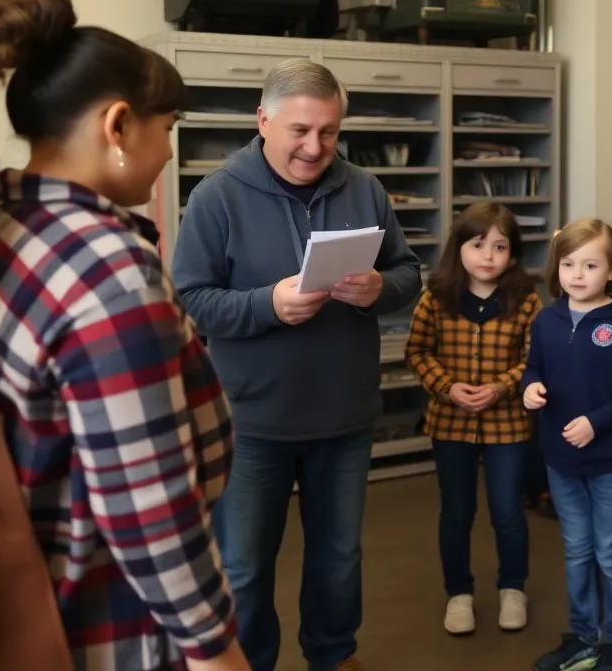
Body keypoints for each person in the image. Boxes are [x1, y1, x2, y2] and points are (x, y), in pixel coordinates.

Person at [0, 0, 249, 670]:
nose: (167, 150)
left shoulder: (10, 222)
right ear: (118, 126)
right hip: (109, 620)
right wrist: (216, 649)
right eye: (166, 126)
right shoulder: (108, 273)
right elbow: (149, 508)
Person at [170, 58, 423, 671]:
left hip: (344, 413)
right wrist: (268, 305)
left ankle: (333, 655)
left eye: (330, 132)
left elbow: (409, 271)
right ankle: (250, 662)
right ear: (263, 120)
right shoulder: (217, 196)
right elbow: (191, 298)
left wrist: (379, 291)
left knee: (339, 556)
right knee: (246, 565)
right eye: (301, 131)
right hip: (252, 419)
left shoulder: (363, 188)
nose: (316, 148)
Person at [404, 202, 543, 636]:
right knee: (456, 511)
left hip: (508, 425)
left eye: (500, 247)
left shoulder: (526, 301)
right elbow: (417, 351)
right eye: (477, 244)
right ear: (458, 249)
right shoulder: (436, 297)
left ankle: (512, 589)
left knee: (507, 511)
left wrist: (502, 386)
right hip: (450, 423)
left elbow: (535, 359)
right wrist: (447, 387)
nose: (488, 255)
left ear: (514, 256)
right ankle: (459, 593)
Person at [522, 220, 612, 671]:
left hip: (610, 460)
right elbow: (533, 367)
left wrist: (596, 423)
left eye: (590, 265)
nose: (577, 274)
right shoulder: (548, 319)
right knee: (576, 548)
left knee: (611, 553)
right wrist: (530, 387)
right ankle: (583, 635)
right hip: (560, 459)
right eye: (568, 263)